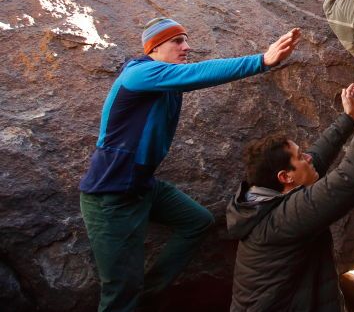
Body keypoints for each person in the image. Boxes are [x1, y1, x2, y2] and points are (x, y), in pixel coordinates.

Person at [78, 17, 301, 312]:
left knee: (197, 221)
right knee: (119, 293)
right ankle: (133, 297)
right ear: (155, 47)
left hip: (142, 187)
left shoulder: (167, 83)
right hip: (112, 195)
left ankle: (147, 295)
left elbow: (194, 75)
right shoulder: (138, 74)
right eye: (178, 41)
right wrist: (262, 60)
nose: (187, 47)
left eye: (186, 40)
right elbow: (201, 73)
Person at [226, 78, 354, 311]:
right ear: (285, 177)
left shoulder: (264, 201)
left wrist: (348, 118)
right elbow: (348, 181)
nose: (309, 157)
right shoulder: (280, 221)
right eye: (300, 156)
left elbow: (316, 161)